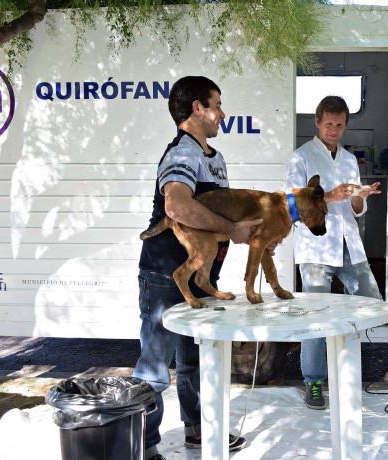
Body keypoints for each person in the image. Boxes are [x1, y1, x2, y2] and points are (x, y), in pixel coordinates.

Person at [133, 76, 261, 460]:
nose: (222, 114)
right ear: (197, 109)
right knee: (155, 367)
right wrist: (231, 230)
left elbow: (220, 209)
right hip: (165, 275)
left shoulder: (213, 158)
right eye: (216, 105)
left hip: (204, 281)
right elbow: (177, 207)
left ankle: (199, 434)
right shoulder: (181, 154)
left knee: (195, 361)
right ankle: (143, 447)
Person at [286, 95, 383, 409]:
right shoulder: (300, 157)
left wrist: (360, 197)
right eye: (328, 124)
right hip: (315, 248)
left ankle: (347, 369)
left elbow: (356, 208)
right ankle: (314, 382)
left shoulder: (349, 159)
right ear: (317, 121)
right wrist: (328, 196)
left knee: (371, 303)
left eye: (340, 125)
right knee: (315, 317)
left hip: (347, 244)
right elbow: (292, 206)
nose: (334, 130)